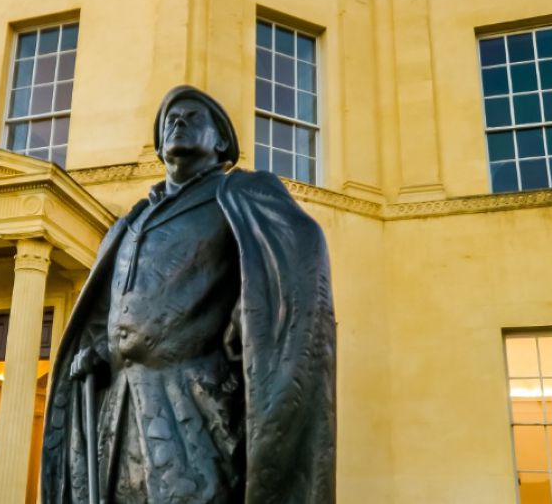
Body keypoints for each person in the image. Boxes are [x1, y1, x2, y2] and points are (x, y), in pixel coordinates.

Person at [41, 85, 336, 503]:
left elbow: (299, 246)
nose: (178, 122)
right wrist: (101, 351)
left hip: (192, 403)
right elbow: (112, 310)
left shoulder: (239, 195)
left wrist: (249, 315)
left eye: (193, 116)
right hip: (122, 408)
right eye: (170, 120)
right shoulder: (133, 221)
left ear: (221, 143)